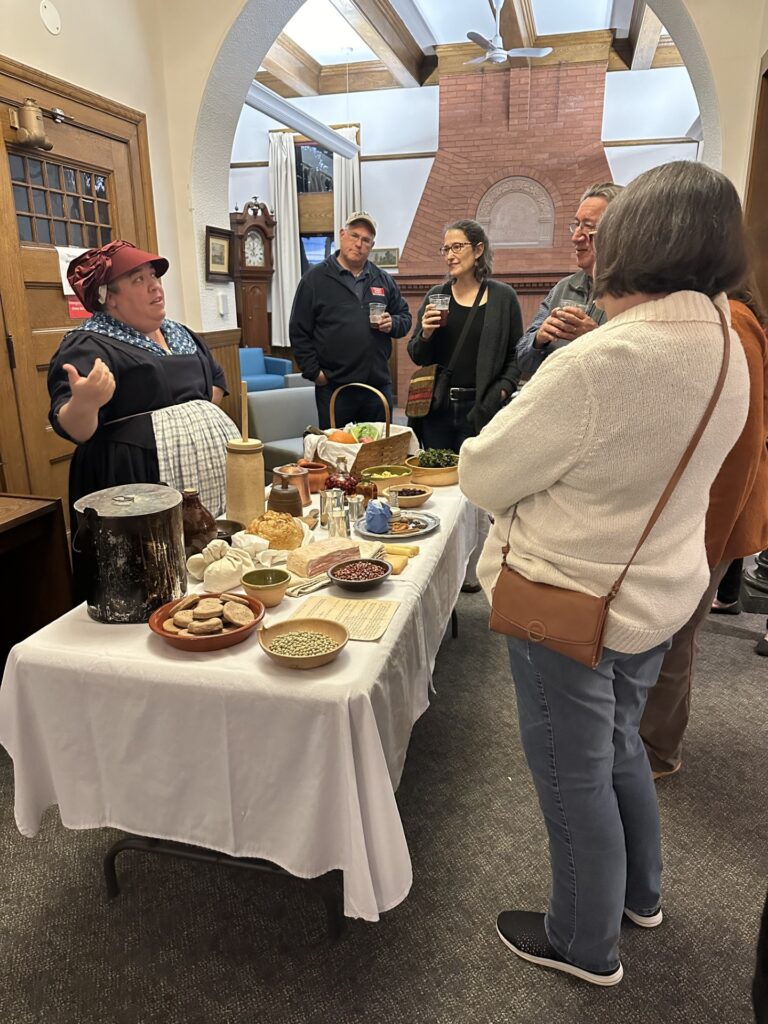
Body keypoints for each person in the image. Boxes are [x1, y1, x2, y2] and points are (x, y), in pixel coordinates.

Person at [459, 161, 750, 986]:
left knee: (569, 775)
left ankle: (584, 944)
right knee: (621, 744)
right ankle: (641, 895)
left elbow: (483, 472)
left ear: (626, 244)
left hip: (569, 600)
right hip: (658, 592)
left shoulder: (598, 362)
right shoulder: (729, 342)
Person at [48, 240, 238, 593]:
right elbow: (72, 426)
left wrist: (193, 425)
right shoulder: (90, 344)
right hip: (137, 481)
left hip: (202, 477)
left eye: (154, 275)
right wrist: (86, 403)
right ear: (109, 296)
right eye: (137, 279)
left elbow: (214, 384)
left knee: (210, 566)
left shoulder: (180, 334)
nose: (155, 286)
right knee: (151, 579)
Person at [641, 286, 768, 777]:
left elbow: (738, 451)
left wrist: (706, 545)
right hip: (700, 511)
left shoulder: (731, 323)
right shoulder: (718, 317)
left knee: (676, 631)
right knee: (672, 632)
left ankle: (657, 751)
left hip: (713, 514)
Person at [406, 219, 523, 450]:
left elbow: (516, 355)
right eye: (446, 249)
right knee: (437, 476)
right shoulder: (436, 295)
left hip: (481, 408)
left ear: (479, 249)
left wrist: (500, 392)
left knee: (476, 480)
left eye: (457, 247)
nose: (449, 255)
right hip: (438, 407)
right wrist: (426, 334)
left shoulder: (503, 297)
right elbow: (417, 355)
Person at [289, 211, 412, 428]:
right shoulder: (314, 280)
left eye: (365, 240)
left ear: (371, 246)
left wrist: (392, 323)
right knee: (337, 453)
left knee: (378, 453)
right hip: (334, 387)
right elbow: (299, 331)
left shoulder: (383, 279)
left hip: (376, 386)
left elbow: (405, 318)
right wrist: (315, 373)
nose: (359, 244)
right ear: (342, 235)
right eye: (354, 236)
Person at [515, 182, 623, 379]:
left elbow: (641, 371)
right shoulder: (563, 288)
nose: (576, 237)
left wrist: (595, 338)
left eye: (588, 227)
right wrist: (539, 340)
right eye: (576, 225)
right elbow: (522, 359)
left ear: (617, 231)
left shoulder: (635, 294)